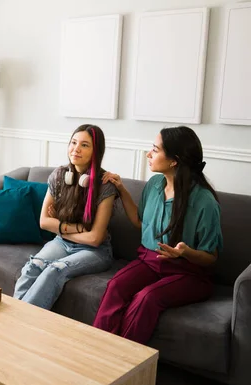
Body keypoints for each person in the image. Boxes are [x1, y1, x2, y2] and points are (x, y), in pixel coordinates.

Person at [93, 126, 223, 344]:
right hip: (150, 261)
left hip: (189, 273)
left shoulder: (204, 202)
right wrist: (122, 189)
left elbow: (211, 257)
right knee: (116, 286)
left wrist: (186, 252)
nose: (148, 154)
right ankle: (97, 350)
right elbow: (140, 222)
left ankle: (126, 363)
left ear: (174, 160)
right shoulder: (154, 185)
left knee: (147, 298)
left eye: (155, 149)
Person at [13, 124, 117, 310]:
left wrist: (59, 226)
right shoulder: (60, 175)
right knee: (33, 266)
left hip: (96, 252)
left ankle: (23, 322)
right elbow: (44, 221)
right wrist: (77, 229)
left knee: (55, 270)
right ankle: (14, 317)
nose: (76, 149)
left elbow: (94, 239)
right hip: (61, 243)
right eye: (73, 142)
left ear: (96, 151)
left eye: (84, 145)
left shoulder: (105, 185)